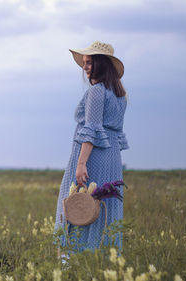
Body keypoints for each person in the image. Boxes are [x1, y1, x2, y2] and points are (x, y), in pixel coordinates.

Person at [54, 41, 129, 257]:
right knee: (105, 206)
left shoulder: (97, 92)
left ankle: (70, 259)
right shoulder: (120, 96)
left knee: (76, 202)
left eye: (89, 63)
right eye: (84, 63)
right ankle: (104, 257)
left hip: (92, 155)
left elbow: (92, 129)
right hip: (111, 157)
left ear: (101, 64)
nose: (85, 67)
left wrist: (80, 163)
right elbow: (113, 132)